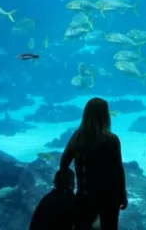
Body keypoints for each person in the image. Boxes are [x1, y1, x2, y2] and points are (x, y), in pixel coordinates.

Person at [60, 97, 127, 230]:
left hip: (84, 195)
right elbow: (117, 171)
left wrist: (68, 188)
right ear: (105, 115)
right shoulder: (111, 140)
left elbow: (63, 163)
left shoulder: (77, 136)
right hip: (108, 197)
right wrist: (122, 194)